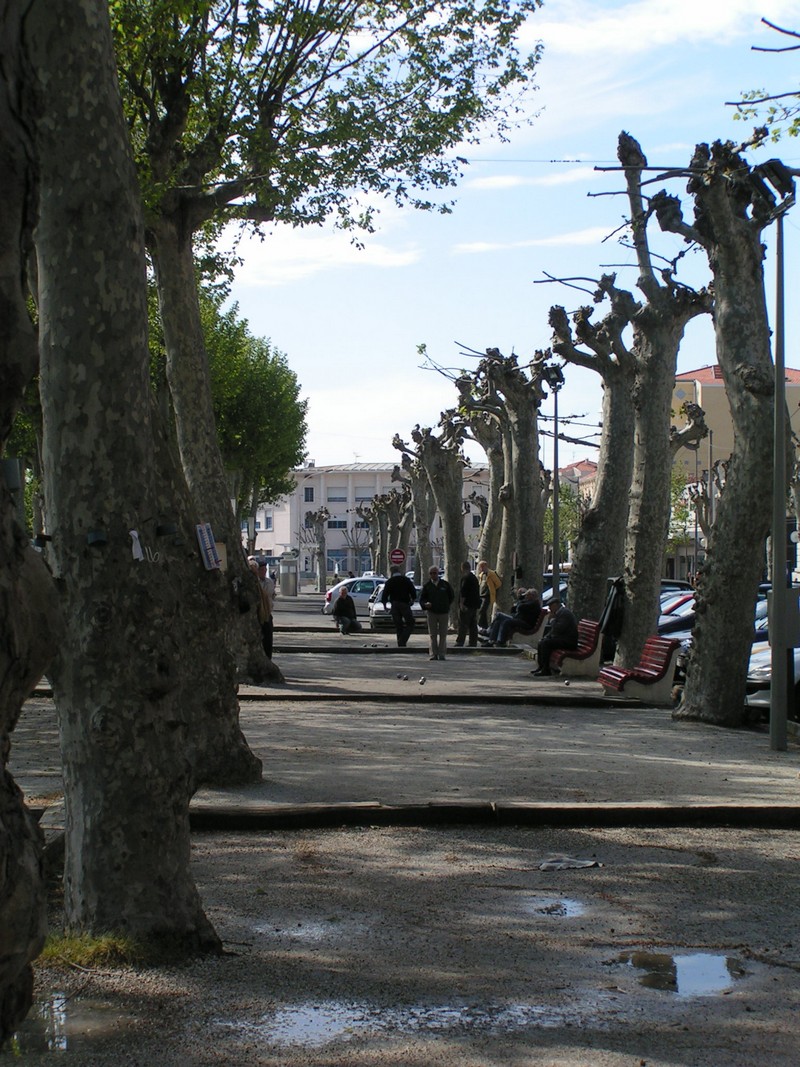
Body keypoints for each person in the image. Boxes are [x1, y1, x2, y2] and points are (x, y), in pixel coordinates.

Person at [533, 598, 579, 676]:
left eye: (551, 607)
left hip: (569, 641)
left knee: (546, 644)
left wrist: (551, 620)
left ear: (556, 605)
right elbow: (554, 631)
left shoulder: (564, 613)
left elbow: (559, 629)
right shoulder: (559, 613)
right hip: (562, 638)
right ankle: (541, 666)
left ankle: (546, 669)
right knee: (542, 642)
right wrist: (547, 636)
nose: (550, 609)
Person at [420, 565, 454, 661]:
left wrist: (446, 605)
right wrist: (425, 604)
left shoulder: (445, 585)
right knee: (432, 634)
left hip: (443, 612)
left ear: (438, 573)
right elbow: (422, 599)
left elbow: (451, 596)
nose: (433, 575)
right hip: (432, 613)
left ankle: (442, 653)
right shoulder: (427, 586)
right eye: (431, 573)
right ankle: (433, 654)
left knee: (443, 634)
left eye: (434, 573)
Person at [381, 565, 417, 647]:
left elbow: (385, 595)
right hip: (404, 604)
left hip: (394, 604)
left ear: (391, 572)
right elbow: (413, 592)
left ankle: (400, 643)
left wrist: (385, 605)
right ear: (399, 571)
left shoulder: (390, 581)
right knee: (410, 623)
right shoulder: (406, 580)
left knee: (398, 625)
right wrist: (412, 600)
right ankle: (403, 640)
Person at [248, 557, 274, 659]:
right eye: (261, 570)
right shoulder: (253, 582)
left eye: (265, 570)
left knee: (268, 639)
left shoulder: (269, 582)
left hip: (266, 613)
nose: (263, 572)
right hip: (256, 614)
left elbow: (269, 595)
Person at [456, 561, 481, 647]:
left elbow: (463, 592)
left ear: (462, 568)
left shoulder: (465, 578)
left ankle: (460, 641)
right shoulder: (474, 578)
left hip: (467, 604)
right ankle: (473, 642)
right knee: (473, 624)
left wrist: (462, 604)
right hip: (474, 604)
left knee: (463, 623)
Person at [477, 559, 501, 630]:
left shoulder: (491, 574)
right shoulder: (481, 575)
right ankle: (485, 626)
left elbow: (498, 584)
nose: (481, 569)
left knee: (482, 610)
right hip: (481, 595)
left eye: (482, 567)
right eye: (480, 567)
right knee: (482, 611)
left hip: (487, 596)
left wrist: (492, 589)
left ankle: (480, 625)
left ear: (485, 566)